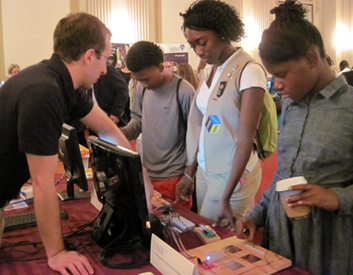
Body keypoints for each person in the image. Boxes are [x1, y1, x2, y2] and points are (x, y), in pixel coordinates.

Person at [0, 12, 133, 275]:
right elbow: (42, 182)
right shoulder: (44, 92)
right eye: (106, 58)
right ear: (89, 56)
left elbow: (105, 126)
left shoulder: (62, 83)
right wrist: (57, 252)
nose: (106, 69)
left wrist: (139, 172)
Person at [235, 1, 353, 274]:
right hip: (281, 240)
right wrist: (257, 214)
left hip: (329, 246)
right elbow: (282, 175)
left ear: (312, 58)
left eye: (282, 74)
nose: (276, 84)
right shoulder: (290, 105)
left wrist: (337, 198)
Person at [179, 0, 266, 228]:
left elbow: (246, 140)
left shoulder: (250, 71)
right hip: (206, 170)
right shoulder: (210, 69)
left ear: (223, 33)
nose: (198, 51)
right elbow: (203, 124)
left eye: (202, 42)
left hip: (232, 175)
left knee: (215, 247)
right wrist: (190, 172)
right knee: (203, 235)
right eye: (192, 45)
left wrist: (226, 196)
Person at [121, 41, 195, 208]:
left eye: (146, 79)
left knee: (175, 229)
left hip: (174, 176)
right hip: (147, 173)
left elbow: (196, 138)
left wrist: (189, 176)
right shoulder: (141, 89)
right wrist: (123, 132)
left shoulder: (184, 91)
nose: (144, 84)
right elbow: (138, 120)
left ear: (162, 68)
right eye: (139, 80)